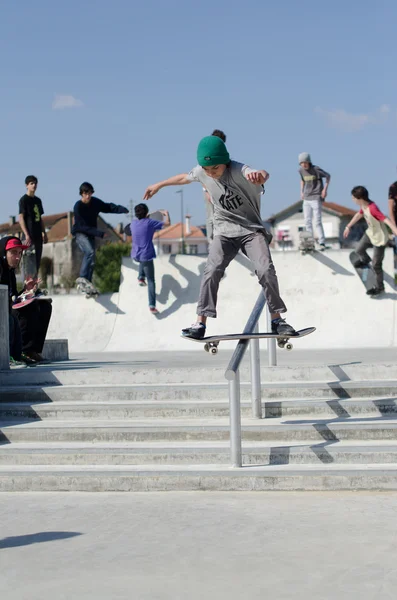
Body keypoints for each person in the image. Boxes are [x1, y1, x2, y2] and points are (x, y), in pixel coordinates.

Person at [143, 135, 295, 339]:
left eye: (215, 168)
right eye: (207, 170)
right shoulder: (202, 172)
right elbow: (182, 178)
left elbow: (262, 173)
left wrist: (261, 176)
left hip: (250, 231)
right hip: (223, 231)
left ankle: (277, 319)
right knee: (212, 270)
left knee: (265, 269)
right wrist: (158, 185)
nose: (211, 174)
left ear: (225, 161)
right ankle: (200, 323)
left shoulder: (239, 170)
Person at [0, 236, 52, 364]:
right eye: (13, 253)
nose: (17, 257)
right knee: (27, 309)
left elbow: (13, 298)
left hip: (7, 308)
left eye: (19, 253)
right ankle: (21, 351)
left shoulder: (10, 271)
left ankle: (32, 351)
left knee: (44, 306)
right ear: (3, 253)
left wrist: (26, 291)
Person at [72, 182, 129, 286]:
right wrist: (99, 233)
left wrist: (121, 209)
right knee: (89, 252)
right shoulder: (78, 206)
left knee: (92, 260)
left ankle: (87, 284)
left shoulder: (95, 202)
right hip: (80, 233)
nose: (88, 196)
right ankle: (82, 278)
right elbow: (82, 226)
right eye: (86, 193)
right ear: (82, 194)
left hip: (91, 234)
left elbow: (107, 207)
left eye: (90, 193)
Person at [344, 186, 397, 296]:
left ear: (360, 198)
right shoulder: (364, 205)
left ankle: (380, 288)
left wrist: (395, 231)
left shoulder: (373, 208)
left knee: (376, 265)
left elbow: (386, 220)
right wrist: (348, 226)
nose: (352, 200)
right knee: (358, 251)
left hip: (380, 239)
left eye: (353, 198)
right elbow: (359, 214)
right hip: (370, 234)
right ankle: (366, 261)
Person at [130, 204, 170, 314]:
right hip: (146, 255)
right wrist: (166, 214)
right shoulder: (150, 223)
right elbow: (167, 224)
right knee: (151, 280)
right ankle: (152, 305)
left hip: (134, 255)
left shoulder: (133, 223)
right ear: (146, 213)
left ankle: (140, 277)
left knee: (141, 261)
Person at [298, 153, 331, 250]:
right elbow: (302, 180)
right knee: (307, 221)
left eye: (305, 162)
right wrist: (301, 192)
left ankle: (322, 242)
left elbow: (328, 176)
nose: (304, 165)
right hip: (307, 198)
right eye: (302, 163)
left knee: (317, 220)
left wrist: (325, 189)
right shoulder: (301, 170)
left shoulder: (316, 169)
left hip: (316, 196)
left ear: (309, 161)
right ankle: (310, 242)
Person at [18, 175, 48, 279]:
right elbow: (21, 218)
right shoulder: (23, 200)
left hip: (38, 236)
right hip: (28, 237)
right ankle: (27, 289)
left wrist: (44, 232)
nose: (34, 185)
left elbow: (40, 218)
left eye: (35, 183)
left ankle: (34, 288)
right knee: (29, 264)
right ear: (26, 185)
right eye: (31, 183)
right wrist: (26, 235)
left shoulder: (38, 201)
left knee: (37, 263)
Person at [204, 130, 227, 243]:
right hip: (210, 188)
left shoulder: (222, 154)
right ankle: (211, 242)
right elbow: (201, 174)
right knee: (211, 216)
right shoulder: (207, 154)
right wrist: (206, 191)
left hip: (223, 189)